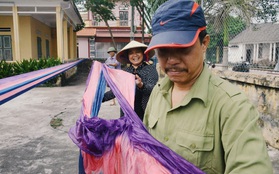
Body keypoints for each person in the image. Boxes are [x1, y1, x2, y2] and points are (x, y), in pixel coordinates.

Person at [143, 0, 273, 173]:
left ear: (204, 43)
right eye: (163, 51)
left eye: (182, 48)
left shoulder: (233, 107)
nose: (172, 60)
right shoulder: (158, 93)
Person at [103, 40, 158, 121]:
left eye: (138, 52)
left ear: (143, 54)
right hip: (127, 115)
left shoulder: (150, 69)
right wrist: (96, 98)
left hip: (145, 114)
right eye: (131, 53)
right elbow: (116, 91)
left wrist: (141, 85)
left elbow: (154, 89)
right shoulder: (125, 72)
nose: (135, 55)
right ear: (128, 56)